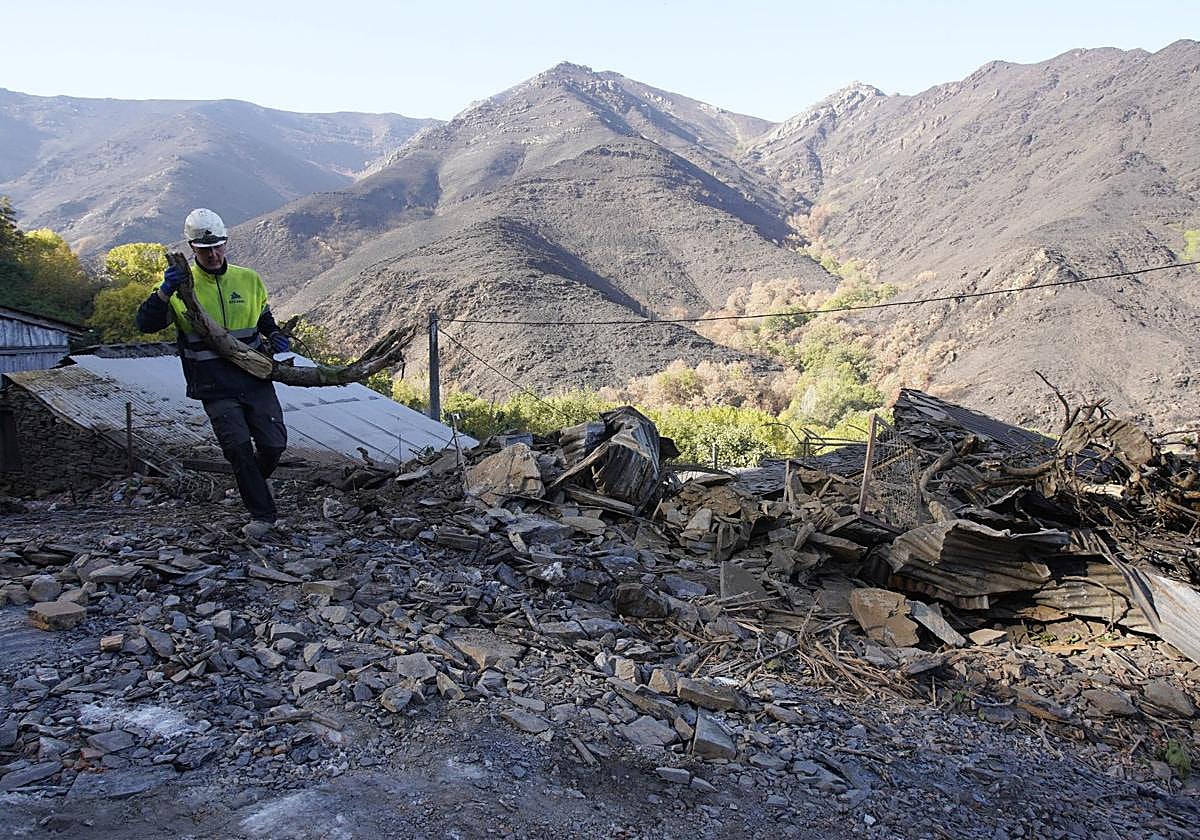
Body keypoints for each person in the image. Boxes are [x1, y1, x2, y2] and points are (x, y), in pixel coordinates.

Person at [136, 208, 291, 539]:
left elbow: (263, 317)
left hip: (255, 376)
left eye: (217, 246)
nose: (212, 254)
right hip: (214, 383)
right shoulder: (180, 288)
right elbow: (146, 324)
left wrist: (275, 333)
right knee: (238, 448)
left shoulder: (248, 279)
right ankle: (262, 516)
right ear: (192, 248)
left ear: (226, 243)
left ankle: (252, 482)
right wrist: (164, 292)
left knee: (274, 444)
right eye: (204, 249)